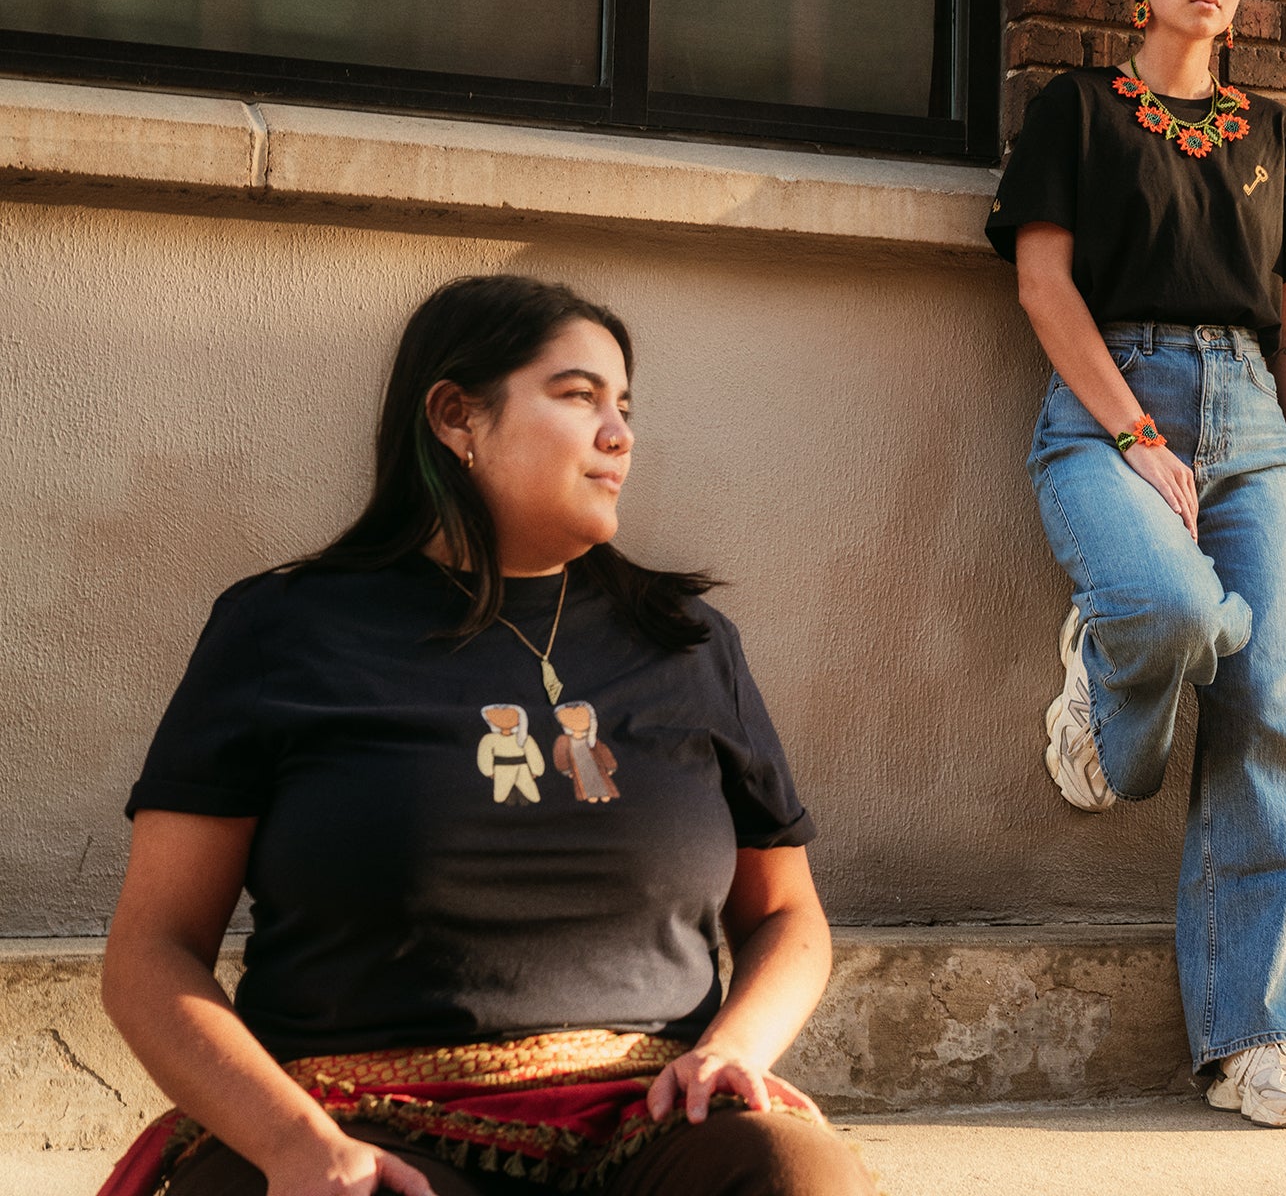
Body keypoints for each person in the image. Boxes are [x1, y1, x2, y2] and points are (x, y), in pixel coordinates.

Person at [99, 275, 874, 1195]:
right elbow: (152, 951)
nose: (619, 434)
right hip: (358, 1125)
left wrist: (733, 1049)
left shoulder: (686, 643)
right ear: (457, 417)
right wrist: (293, 1143)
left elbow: (788, 913)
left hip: (647, 1126)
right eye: (578, 396)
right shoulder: (283, 630)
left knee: (792, 1171)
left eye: (624, 406)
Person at [985, 0, 1286, 1127]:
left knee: (1266, 715)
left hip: (1255, 426)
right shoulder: (1077, 112)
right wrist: (1139, 433)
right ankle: (1113, 685)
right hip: (1108, 405)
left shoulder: (1272, 133)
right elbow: (1043, 286)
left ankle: (1256, 1037)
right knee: (1178, 612)